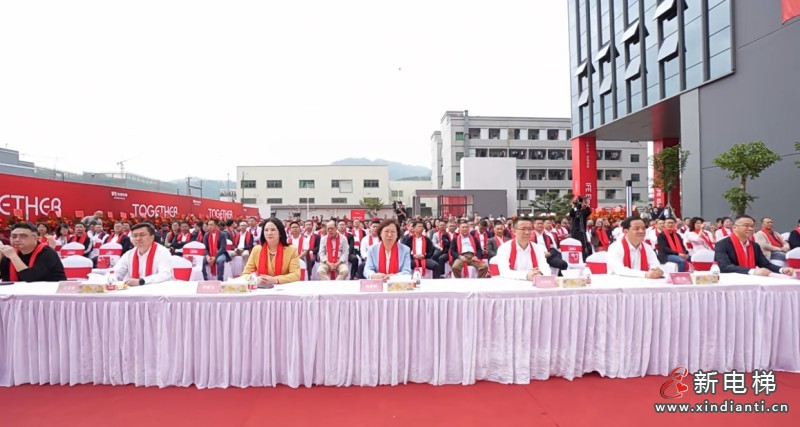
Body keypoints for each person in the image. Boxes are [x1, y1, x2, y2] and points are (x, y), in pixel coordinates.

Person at [716, 215, 794, 276]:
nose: (750, 229)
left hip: (751, 280)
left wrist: (782, 270)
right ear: (734, 228)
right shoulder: (722, 244)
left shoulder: (754, 246)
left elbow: (765, 264)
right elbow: (724, 267)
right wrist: (753, 271)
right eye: (746, 226)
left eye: (752, 226)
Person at [0, 222, 67, 282]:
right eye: (14, 236)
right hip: (18, 290)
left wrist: (13, 257)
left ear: (35, 238)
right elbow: (5, 279)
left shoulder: (47, 253)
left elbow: (31, 279)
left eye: (23, 236)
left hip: (50, 290)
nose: (17, 239)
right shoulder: (10, 254)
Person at [243, 218, 301, 285]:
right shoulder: (256, 249)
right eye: (266, 230)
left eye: (273, 230)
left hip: (283, 288)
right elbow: (245, 274)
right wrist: (255, 279)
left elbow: (296, 275)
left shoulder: (291, 250)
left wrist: (276, 280)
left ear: (280, 232)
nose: (269, 233)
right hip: (261, 288)